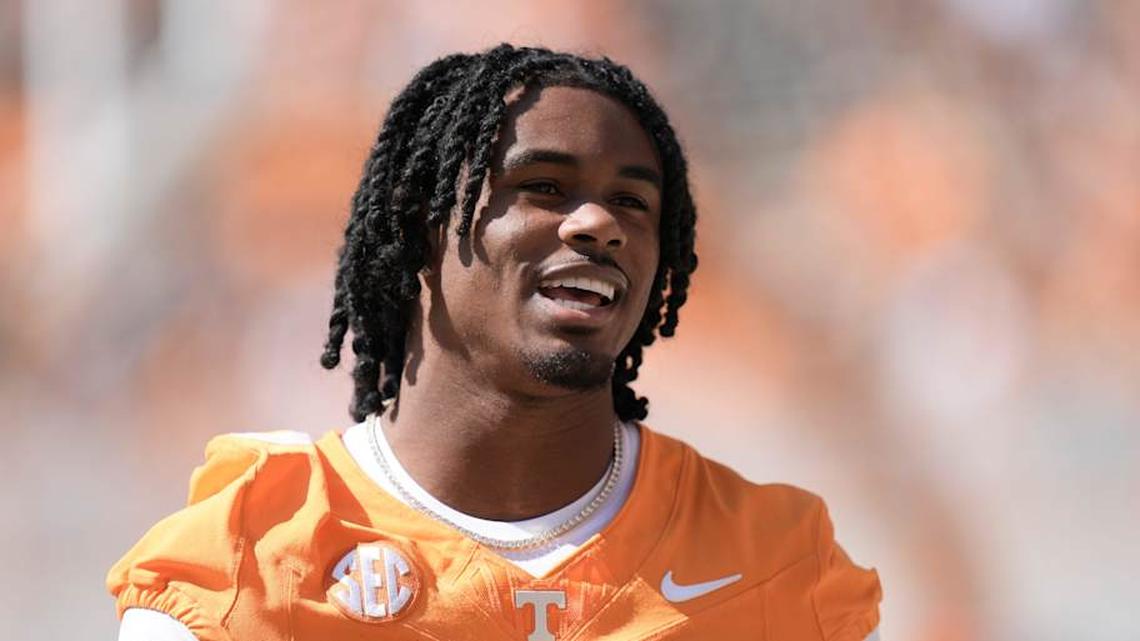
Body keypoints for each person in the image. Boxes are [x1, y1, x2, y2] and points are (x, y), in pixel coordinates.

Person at [108, 44, 882, 641]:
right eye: (543, 186)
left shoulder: (777, 561)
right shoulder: (244, 565)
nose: (599, 223)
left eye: (632, 202)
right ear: (419, 226)